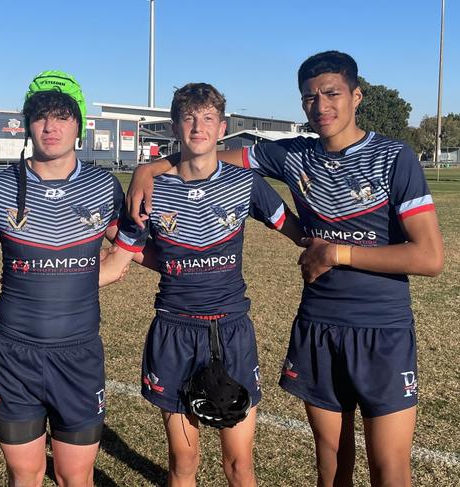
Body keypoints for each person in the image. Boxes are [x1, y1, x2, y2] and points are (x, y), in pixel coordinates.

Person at [127, 51, 444, 487]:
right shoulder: (292, 154)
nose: (321, 106)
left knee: (390, 472)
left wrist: (337, 253)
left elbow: (429, 257)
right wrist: (149, 168)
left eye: (331, 93)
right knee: (331, 464)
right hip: (318, 325)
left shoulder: (394, 157)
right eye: (309, 97)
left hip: (381, 329)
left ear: (357, 96)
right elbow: (209, 157)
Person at [102, 82, 304, 486]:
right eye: (189, 118)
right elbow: (116, 263)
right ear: (175, 127)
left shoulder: (245, 184)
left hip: (232, 331)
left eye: (208, 118)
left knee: (239, 464)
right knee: (183, 463)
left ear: (222, 127)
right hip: (175, 332)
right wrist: (51, 276)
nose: (199, 127)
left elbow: (300, 233)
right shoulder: (151, 190)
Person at [0, 70, 124, 487]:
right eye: (41, 117)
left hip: (78, 355)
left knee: (75, 475)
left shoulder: (104, 187)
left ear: (79, 124)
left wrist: (106, 269)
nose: (51, 127)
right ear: (28, 124)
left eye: (63, 116)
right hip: (15, 355)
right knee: (24, 474)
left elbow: (134, 247)